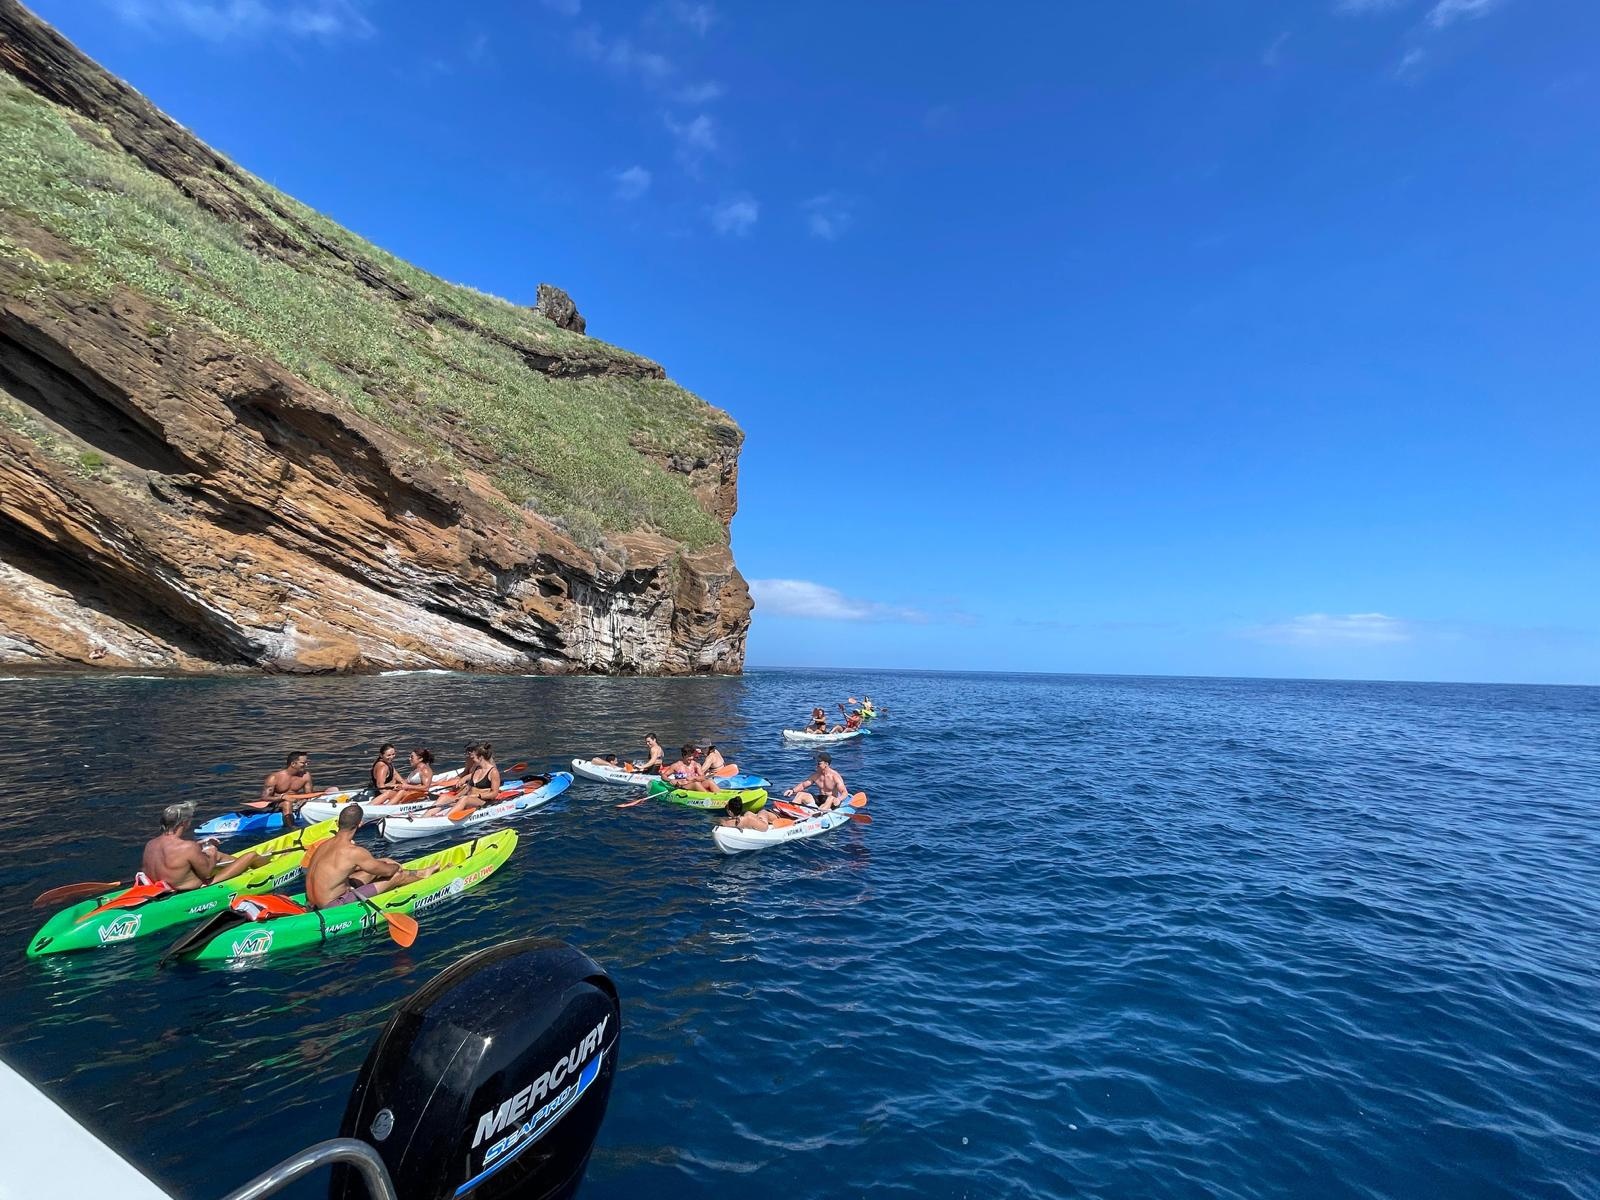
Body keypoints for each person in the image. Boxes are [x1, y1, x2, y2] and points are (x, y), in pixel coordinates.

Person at [304, 805, 439, 909]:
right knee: (396, 875)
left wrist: (385, 863)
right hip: (333, 906)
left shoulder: (323, 845)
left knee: (383, 862)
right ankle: (424, 878)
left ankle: (420, 872)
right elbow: (388, 871)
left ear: (338, 823)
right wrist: (395, 867)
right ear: (360, 824)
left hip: (313, 902)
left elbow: (338, 869)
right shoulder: (353, 851)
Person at [139, 802, 265, 891]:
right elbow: (207, 873)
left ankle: (240, 865)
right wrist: (212, 851)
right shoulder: (187, 847)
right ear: (184, 823)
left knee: (219, 856)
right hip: (194, 888)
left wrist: (200, 845)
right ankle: (269, 867)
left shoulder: (151, 844)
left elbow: (174, 854)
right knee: (252, 855)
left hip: (165, 885)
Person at [259, 751, 313, 826]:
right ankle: (291, 829)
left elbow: (309, 794)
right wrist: (283, 797)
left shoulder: (306, 776)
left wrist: (304, 799)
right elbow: (265, 797)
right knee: (286, 803)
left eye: (307, 762)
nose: (306, 764)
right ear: (293, 764)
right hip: (276, 803)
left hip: (295, 801)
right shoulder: (274, 777)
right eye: (303, 763)